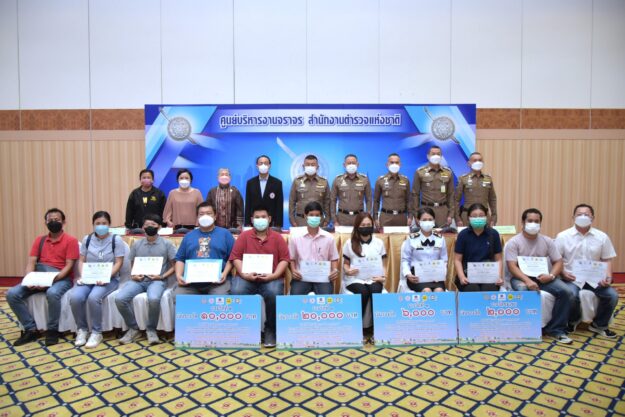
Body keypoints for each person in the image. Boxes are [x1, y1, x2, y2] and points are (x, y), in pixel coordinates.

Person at [7, 208, 79, 346]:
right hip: (39, 276)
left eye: (57, 220)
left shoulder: (71, 240)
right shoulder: (39, 240)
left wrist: (49, 281)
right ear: (45, 222)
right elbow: (31, 262)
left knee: (52, 293)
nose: (53, 222)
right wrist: (29, 279)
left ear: (64, 222)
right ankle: (31, 329)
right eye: (50, 220)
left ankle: (52, 329)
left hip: (61, 278)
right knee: (12, 294)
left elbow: (69, 266)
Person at [505, 208, 574, 344]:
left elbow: (558, 261)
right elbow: (512, 266)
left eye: (536, 221)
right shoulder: (514, 242)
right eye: (530, 221)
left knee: (566, 292)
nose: (533, 224)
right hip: (521, 278)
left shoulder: (547, 241)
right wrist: (527, 281)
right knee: (523, 291)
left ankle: (556, 329)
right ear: (523, 222)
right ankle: (525, 329)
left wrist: (551, 276)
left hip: (544, 278)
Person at [229, 204, 290, 348]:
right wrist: (244, 274)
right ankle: (246, 329)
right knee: (237, 290)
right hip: (247, 278)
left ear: (269, 219)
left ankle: (271, 330)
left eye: (263, 217)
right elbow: (235, 258)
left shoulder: (278, 238)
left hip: (271, 278)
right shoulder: (243, 236)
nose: (260, 220)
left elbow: (284, 260)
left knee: (274, 293)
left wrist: (274, 275)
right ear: (251, 220)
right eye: (257, 217)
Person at [555, 204, 618, 338]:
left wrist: (607, 277)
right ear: (573, 217)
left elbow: (607, 259)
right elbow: (556, 259)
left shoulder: (602, 237)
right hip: (571, 277)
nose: (583, 217)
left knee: (612, 295)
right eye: (579, 214)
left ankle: (599, 325)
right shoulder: (562, 236)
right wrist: (563, 273)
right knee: (571, 294)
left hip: (595, 279)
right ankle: (573, 321)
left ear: (592, 218)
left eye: (586, 214)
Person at [115, 213, 177, 345]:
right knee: (120, 299)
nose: (150, 227)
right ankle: (133, 328)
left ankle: (151, 329)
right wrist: (134, 275)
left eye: (153, 225)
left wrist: (162, 276)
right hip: (139, 280)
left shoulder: (167, 244)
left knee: (153, 299)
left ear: (159, 227)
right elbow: (132, 263)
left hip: (157, 280)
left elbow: (174, 266)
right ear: (143, 227)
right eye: (147, 225)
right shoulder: (136, 244)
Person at [70, 211, 125, 348]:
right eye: (98, 223)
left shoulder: (116, 240)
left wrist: (107, 277)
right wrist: (83, 276)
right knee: (75, 297)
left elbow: (119, 262)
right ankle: (82, 330)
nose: (101, 226)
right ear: (93, 225)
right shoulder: (87, 239)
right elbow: (81, 260)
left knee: (94, 297)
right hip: (89, 277)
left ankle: (96, 332)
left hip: (109, 278)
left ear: (109, 224)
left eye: (104, 223)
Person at [342, 212, 387, 343]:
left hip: (374, 278)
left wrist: (383, 276)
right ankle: (356, 330)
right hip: (355, 279)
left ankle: (377, 330)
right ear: (357, 226)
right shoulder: (349, 243)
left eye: (368, 224)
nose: (366, 227)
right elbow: (345, 264)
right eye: (363, 225)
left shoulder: (379, 243)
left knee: (375, 290)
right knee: (363, 292)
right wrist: (348, 271)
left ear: (372, 225)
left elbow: (384, 264)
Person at [174, 202, 234, 298]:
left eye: (209, 213)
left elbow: (232, 258)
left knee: (219, 299)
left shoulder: (225, 234)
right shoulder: (189, 236)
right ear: (197, 217)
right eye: (201, 214)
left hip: (217, 282)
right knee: (178, 297)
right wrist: (178, 275)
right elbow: (180, 259)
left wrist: (224, 273)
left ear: (215, 216)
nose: (205, 216)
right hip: (191, 283)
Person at [289, 202, 340, 295]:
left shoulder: (329, 237)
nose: (314, 218)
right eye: (311, 215)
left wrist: (335, 270)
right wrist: (293, 270)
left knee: (326, 297)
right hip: (302, 277)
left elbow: (334, 258)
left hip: (323, 278)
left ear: (321, 217)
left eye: (317, 215)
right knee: (295, 296)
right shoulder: (295, 237)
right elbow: (291, 258)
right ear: (305, 216)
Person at [454, 203, 503, 291]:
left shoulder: (493, 234)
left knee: (489, 289)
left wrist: (498, 276)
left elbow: (498, 259)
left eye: (481, 216)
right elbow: (457, 260)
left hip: (488, 274)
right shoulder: (463, 235)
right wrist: (461, 277)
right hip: (467, 275)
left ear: (486, 217)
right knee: (472, 289)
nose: (478, 218)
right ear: (468, 218)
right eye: (474, 216)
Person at [401, 208, 447, 292]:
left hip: (435, 274)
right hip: (416, 275)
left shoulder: (440, 239)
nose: (427, 222)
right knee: (427, 290)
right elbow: (405, 260)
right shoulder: (411, 239)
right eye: (424, 220)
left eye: (430, 219)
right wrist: (408, 274)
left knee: (439, 290)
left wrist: (441, 274)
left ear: (434, 221)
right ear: (418, 221)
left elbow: (444, 261)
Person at [411, 146, 454, 228]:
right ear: (428, 156)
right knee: (425, 234)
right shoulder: (420, 172)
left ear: (441, 156)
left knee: (442, 234)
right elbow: (415, 194)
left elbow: (451, 194)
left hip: (442, 211)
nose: (436, 156)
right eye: (433, 154)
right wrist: (416, 214)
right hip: (425, 210)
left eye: (438, 154)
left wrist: (451, 214)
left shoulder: (448, 172)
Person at [454, 152, 497, 227]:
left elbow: (492, 199)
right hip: (467, 216)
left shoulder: (488, 179)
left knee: (486, 235)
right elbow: (456, 200)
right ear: (469, 163)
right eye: (475, 160)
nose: (478, 162)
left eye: (480, 160)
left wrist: (494, 217)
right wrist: (457, 218)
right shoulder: (463, 179)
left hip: (484, 216)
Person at [288, 155, 331, 227]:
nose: (310, 166)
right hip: (300, 221)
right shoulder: (297, 181)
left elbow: (327, 202)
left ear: (317, 167)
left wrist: (327, 220)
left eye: (313, 164)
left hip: (318, 221)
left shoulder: (324, 182)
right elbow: (292, 202)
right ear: (303, 166)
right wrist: (292, 220)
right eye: (307, 164)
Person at [330, 154, 372, 227]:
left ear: (357, 164)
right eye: (349, 163)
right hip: (342, 218)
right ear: (344, 165)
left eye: (353, 163)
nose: (351, 165)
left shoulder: (364, 179)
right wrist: (334, 220)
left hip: (359, 218)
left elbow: (369, 199)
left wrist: (367, 217)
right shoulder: (337, 180)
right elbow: (332, 200)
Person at [373, 153, 411, 228]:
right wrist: (375, 217)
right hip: (385, 217)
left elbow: (409, 200)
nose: (394, 164)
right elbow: (376, 201)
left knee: (402, 236)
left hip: (401, 217)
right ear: (387, 164)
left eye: (397, 162)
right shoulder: (380, 180)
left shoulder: (405, 180)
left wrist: (410, 216)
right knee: (384, 235)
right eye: (392, 162)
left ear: (400, 164)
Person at [245, 155, 283, 228]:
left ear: (269, 166)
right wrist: (247, 223)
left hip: (271, 223)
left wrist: (278, 225)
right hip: (255, 222)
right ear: (257, 166)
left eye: (265, 163)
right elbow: (248, 204)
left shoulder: (277, 183)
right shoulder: (250, 183)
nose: (263, 165)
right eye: (261, 163)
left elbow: (279, 206)